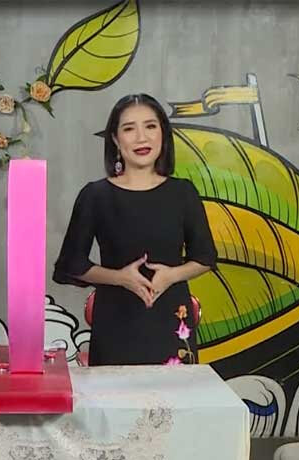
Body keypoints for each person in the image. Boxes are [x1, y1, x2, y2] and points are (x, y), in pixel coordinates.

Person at [52, 93, 216, 366]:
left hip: (171, 319)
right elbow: (71, 264)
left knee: (173, 392)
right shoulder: (96, 196)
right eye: (129, 129)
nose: (142, 137)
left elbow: (205, 257)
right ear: (116, 140)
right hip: (116, 321)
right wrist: (120, 278)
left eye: (150, 126)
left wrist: (172, 275)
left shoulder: (183, 193)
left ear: (163, 134)